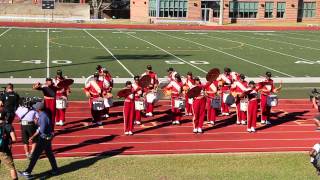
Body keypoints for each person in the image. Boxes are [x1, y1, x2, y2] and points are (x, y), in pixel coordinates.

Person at [18, 102, 58, 179]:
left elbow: (41, 130)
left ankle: (28, 172)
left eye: (35, 107)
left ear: (39, 109)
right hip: (47, 138)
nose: (34, 108)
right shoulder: (42, 115)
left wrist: (36, 124)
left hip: (44, 138)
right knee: (49, 154)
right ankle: (55, 169)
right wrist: (33, 136)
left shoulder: (43, 117)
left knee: (35, 155)